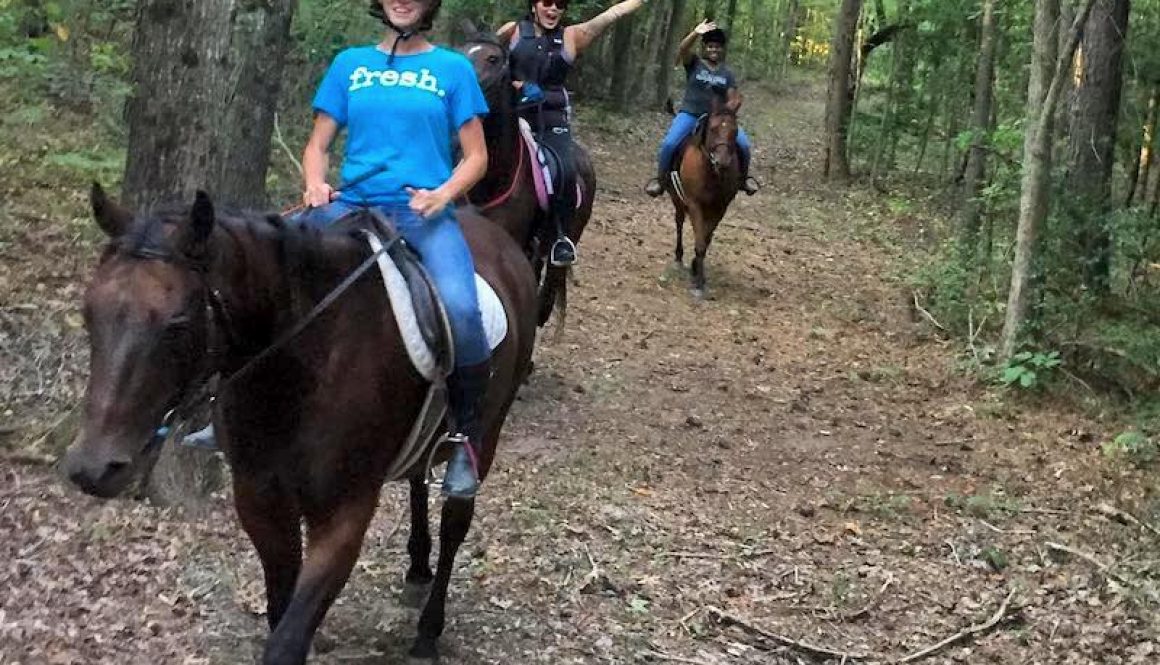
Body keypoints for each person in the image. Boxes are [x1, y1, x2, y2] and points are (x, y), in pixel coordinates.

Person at [296, 0, 492, 499]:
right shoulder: (350, 64)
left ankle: (466, 438)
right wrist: (315, 183)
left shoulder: (452, 69)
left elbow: (476, 157)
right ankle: (226, 405)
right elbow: (318, 145)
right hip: (350, 206)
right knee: (264, 271)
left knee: (462, 309)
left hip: (421, 214)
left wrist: (443, 194)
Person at [496, 0, 649, 267]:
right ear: (534, 5)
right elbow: (490, 61)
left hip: (551, 117)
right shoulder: (512, 31)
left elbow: (610, 15)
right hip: (513, 112)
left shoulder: (572, 36)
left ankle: (560, 237)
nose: (553, 9)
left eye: (561, 4)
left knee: (566, 170)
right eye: (547, 2)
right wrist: (514, 84)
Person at [645, 20, 759, 198]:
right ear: (705, 48)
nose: (714, 50)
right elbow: (682, 49)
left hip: (717, 118)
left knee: (743, 144)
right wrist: (696, 33)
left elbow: (732, 96)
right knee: (669, 143)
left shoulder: (727, 73)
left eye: (718, 47)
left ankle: (743, 179)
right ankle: (660, 180)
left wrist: (729, 109)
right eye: (711, 46)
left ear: (722, 49)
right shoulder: (694, 63)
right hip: (691, 113)